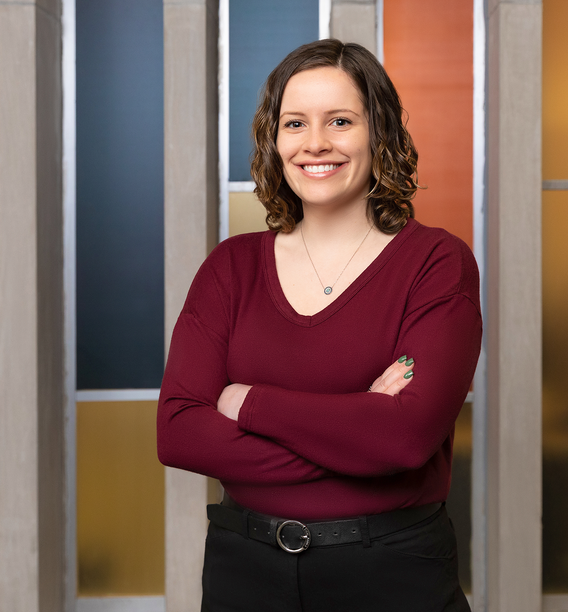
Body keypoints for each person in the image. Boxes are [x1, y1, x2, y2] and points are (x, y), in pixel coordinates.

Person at [157, 39, 482, 611]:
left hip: (392, 574)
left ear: (378, 132)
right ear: (273, 140)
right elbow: (179, 431)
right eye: (294, 123)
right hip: (244, 575)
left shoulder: (435, 263)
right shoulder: (230, 269)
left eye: (339, 121)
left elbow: (405, 438)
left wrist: (249, 403)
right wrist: (359, 432)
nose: (315, 144)